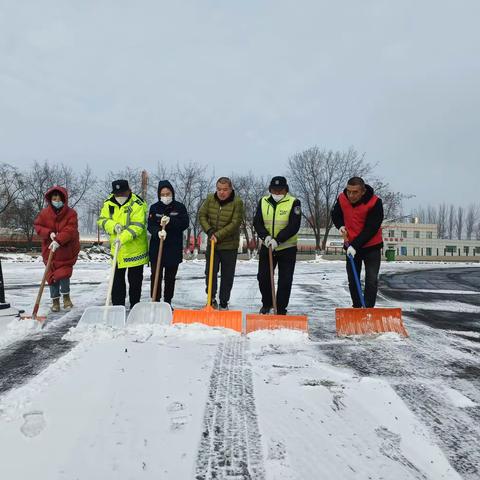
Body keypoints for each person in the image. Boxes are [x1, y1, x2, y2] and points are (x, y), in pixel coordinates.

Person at [331, 176, 384, 308]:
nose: (350, 195)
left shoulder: (375, 202)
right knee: (353, 279)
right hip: (351, 246)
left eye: (355, 192)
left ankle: (368, 308)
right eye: (349, 191)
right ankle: (357, 307)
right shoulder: (342, 198)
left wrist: (355, 245)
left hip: (371, 246)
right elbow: (335, 214)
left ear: (363, 191)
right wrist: (340, 225)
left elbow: (371, 228)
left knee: (371, 280)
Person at [253, 176, 302, 315]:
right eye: (274, 190)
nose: (277, 194)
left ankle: (280, 308)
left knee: (285, 280)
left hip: (287, 248)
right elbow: (257, 222)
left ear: (286, 190)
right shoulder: (263, 201)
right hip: (267, 246)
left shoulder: (294, 202)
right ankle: (267, 303)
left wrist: (278, 240)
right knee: (263, 277)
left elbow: (294, 225)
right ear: (270, 189)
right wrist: (266, 237)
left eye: (280, 191)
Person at [97, 179, 148, 309]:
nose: (119, 197)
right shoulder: (108, 204)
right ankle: (117, 307)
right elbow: (102, 220)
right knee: (117, 282)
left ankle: (135, 306)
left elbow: (138, 226)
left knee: (135, 282)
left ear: (128, 191)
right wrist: (113, 226)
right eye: (117, 194)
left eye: (122, 194)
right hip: (117, 250)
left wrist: (123, 237)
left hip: (135, 250)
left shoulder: (137, 204)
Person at [199, 177, 244, 310]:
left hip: (229, 246)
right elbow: (202, 215)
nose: (221, 192)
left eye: (225, 189)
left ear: (230, 189)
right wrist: (210, 231)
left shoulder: (237, 202)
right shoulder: (210, 199)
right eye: (219, 189)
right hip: (213, 244)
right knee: (210, 273)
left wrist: (217, 235)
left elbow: (235, 223)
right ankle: (211, 300)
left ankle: (224, 302)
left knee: (227, 275)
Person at [34, 186, 80, 312]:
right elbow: (38, 226)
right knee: (51, 276)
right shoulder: (44, 213)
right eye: (54, 198)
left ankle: (66, 298)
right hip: (49, 251)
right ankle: (55, 301)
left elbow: (70, 229)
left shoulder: (71, 213)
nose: (57, 200)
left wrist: (59, 240)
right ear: (50, 199)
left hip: (66, 250)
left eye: (59, 198)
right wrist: (49, 233)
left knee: (64, 274)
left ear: (64, 199)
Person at [147, 180, 189, 307]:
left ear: (172, 193)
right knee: (156, 276)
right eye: (163, 194)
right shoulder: (154, 208)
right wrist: (157, 232)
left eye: (168, 193)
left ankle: (167, 301)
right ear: (159, 194)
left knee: (170, 277)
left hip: (173, 248)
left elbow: (184, 223)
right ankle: (155, 300)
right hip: (157, 247)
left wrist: (171, 221)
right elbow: (150, 225)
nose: (166, 196)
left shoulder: (179, 207)